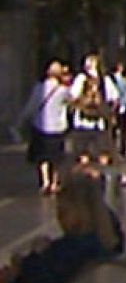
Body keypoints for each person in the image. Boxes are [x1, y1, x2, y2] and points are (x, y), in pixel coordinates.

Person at [0, 169, 121, 283]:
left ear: (80, 212)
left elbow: (40, 274)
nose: (59, 219)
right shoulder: (102, 242)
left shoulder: (73, 248)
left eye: (63, 212)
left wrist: (24, 262)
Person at [14, 62, 72, 195]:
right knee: (56, 158)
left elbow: (31, 105)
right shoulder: (63, 90)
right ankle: (54, 183)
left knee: (43, 157)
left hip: (41, 126)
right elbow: (71, 102)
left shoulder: (39, 87)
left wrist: (21, 120)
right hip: (57, 128)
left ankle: (45, 181)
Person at [67, 54, 114, 166]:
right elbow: (114, 99)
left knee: (83, 154)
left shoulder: (80, 78)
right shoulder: (105, 80)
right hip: (100, 122)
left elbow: (72, 97)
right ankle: (103, 178)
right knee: (103, 154)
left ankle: (85, 179)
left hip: (81, 122)